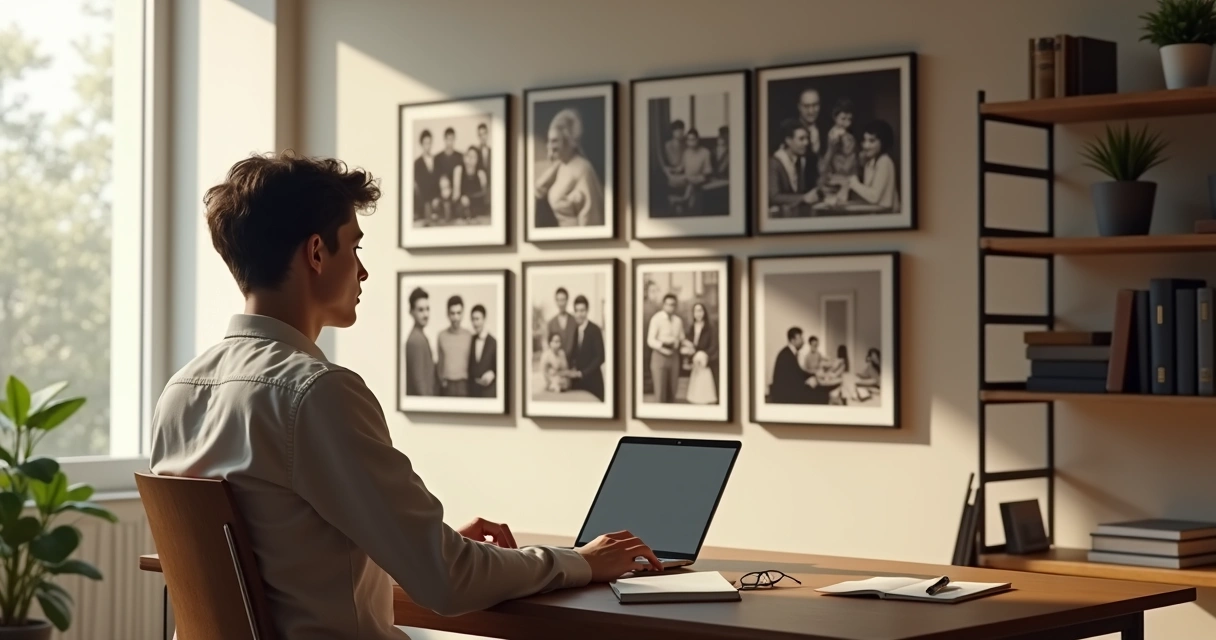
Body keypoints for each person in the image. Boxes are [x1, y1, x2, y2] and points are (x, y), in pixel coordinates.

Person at [149, 151, 660, 640]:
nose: (363, 270)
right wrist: (582, 561)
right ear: (317, 252)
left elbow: (280, 562)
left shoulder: (180, 392)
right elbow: (446, 582)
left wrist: (401, 544)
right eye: (355, 247)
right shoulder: (316, 394)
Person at [534, 108, 604, 227]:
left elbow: (590, 217)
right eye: (549, 141)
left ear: (569, 141)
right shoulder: (560, 166)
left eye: (555, 141)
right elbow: (538, 190)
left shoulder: (583, 169)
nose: (550, 146)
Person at [848, 119, 899, 211]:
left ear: (883, 142)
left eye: (872, 141)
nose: (866, 146)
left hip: (887, 214)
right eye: (864, 140)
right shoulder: (870, 162)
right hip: (877, 212)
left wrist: (854, 184)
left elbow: (874, 197)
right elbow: (868, 195)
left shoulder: (884, 161)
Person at [566, 294, 606, 401]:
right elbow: (574, 354)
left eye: (582, 310)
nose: (579, 314)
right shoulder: (576, 330)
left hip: (593, 383)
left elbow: (601, 357)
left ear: (587, 311)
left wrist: (583, 373)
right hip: (578, 384)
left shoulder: (595, 330)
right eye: (577, 311)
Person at [646, 294, 683, 403]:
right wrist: (663, 344)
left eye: (673, 305)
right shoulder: (656, 319)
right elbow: (650, 340)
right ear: (663, 305)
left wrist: (684, 344)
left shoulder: (678, 321)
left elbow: (681, 337)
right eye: (668, 304)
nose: (670, 307)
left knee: (673, 390)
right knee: (660, 391)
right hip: (659, 356)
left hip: (674, 357)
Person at [436, 295, 473, 396]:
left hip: (464, 385)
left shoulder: (469, 335)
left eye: (458, 313)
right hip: (446, 386)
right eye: (452, 313)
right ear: (447, 314)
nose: (456, 317)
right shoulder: (441, 335)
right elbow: (440, 362)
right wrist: (442, 380)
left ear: (463, 313)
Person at [403, 287, 437, 396]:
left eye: (428, 309)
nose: (426, 314)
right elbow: (419, 383)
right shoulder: (415, 340)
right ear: (411, 312)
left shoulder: (421, 336)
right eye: (421, 310)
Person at [683, 302, 717, 405]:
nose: (698, 314)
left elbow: (714, 345)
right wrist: (689, 350)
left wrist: (704, 355)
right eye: (696, 311)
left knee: (705, 391)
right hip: (695, 361)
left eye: (700, 310)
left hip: (706, 360)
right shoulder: (691, 327)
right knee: (695, 392)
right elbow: (689, 342)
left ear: (704, 312)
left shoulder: (710, 327)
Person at [467, 304, 496, 398]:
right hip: (472, 392)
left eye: (477, 319)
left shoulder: (494, 342)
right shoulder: (470, 340)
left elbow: (500, 368)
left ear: (484, 319)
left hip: (488, 393)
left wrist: (492, 374)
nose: (475, 323)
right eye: (473, 319)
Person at [546, 287, 577, 359]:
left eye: (563, 300)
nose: (561, 303)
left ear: (567, 300)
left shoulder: (574, 321)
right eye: (559, 300)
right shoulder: (551, 323)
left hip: (573, 364)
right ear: (556, 301)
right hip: (557, 365)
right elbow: (548, 346)